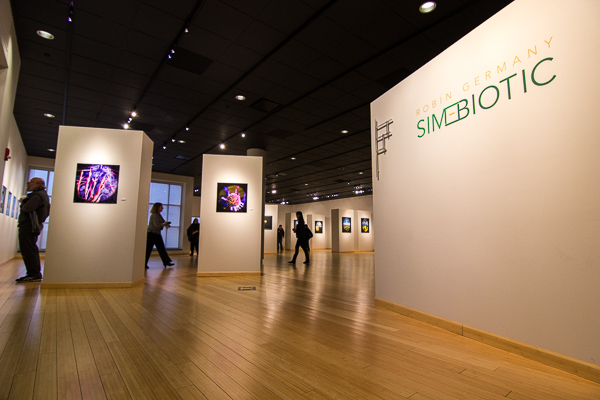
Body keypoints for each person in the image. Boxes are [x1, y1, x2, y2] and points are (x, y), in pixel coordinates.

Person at [16, 177, 50, 282]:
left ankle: (33, 274)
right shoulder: (42, 195)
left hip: (29, 225)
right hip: (32, 225)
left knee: (28, 250)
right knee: (30, 249)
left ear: (38, 185)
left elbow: (27, 208)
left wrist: (23, 202)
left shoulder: (37, 196)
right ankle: (34, 274)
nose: (28, 183)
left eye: (31, 182)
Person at [145, 202, 174, 268]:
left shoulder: (158, 215)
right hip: (152, 234)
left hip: (156, 234)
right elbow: (157, 225)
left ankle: (166, 261)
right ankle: (166, 262)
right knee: (149, 249)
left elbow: (162, 222)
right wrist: (164, 224)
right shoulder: (154, 215)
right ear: (157, 207)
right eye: (161, 207)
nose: (162, 208)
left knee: (161, 248)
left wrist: (166, 224)